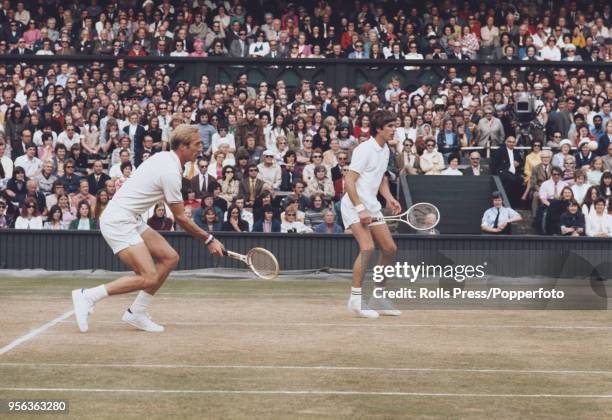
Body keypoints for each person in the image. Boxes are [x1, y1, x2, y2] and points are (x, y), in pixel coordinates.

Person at [71, 124, 225, 334]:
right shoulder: (170, 172)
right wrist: (209, 239)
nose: (201, 147)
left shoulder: (165, 158)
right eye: (197, 144)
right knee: (148, 276)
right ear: (183, 147)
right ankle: (87, 296)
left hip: (130, 218)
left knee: (170, 258)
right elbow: (180, 217)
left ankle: (137, 312)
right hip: (118, 221)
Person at [341, 110, 402, 319]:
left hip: (371, 204)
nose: (394, 129)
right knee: (367, 248)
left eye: (395, 125)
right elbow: (348, 181)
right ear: (379, 129)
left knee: (389, 248)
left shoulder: (386, 150)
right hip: (353, 204)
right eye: (390, 126)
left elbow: (381, 178)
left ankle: (377, 296)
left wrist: (389, 198)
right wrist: (360, 209)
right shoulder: (364, 149)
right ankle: (356, 301)